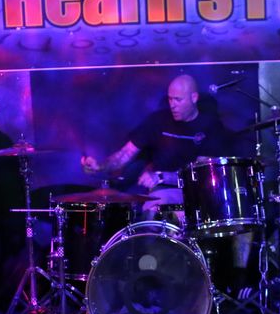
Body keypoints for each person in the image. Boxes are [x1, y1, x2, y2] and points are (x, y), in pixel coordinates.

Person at [81, 74, 254, 294]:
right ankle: (150, 284)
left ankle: (216, 283)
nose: (173, 104)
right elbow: (125, 155)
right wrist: (100, 166)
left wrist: (163, 176)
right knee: (152, 215)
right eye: (170, 99)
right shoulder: (158, 121)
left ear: (194, 98)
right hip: (162, 193)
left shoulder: (210, 126)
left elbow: (199, 172)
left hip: (195, 193)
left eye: (178, 100)